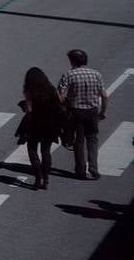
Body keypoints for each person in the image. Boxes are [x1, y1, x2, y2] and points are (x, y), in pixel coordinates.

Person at [57, 49, 109, 180]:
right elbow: (104, 95)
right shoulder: (96, 74)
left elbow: (61, 97)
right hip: (92, 111)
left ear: (72, 61)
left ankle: (80, 170)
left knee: (78, 142)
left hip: (76, 112)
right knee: (92, 139)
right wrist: (102, 112)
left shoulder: (69, 75)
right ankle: (93, 167)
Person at [17, 67, 63, 190]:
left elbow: (29, 110)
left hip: (35, 124)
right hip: (50, 124)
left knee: (32, 149)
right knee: (46, 151)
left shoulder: (29, 91)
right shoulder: (51, 89)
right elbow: (60, 103)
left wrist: (23, 105)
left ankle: (38, 176)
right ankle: (46, 178)